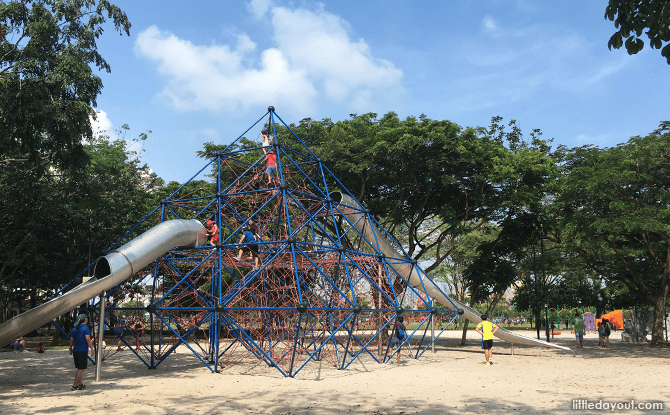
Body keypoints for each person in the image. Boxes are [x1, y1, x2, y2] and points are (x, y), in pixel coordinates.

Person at [69, 314, 94, 391]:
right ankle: (74, 385)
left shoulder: (74, 329)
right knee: (81, 369)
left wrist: (70, 348)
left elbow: (71, 340)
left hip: (75, 350)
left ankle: (80, 384)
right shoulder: (86, 328)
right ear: (85, 319)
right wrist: (91, 348)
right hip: (82, 350)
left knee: (79, 367)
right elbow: (88, 339)